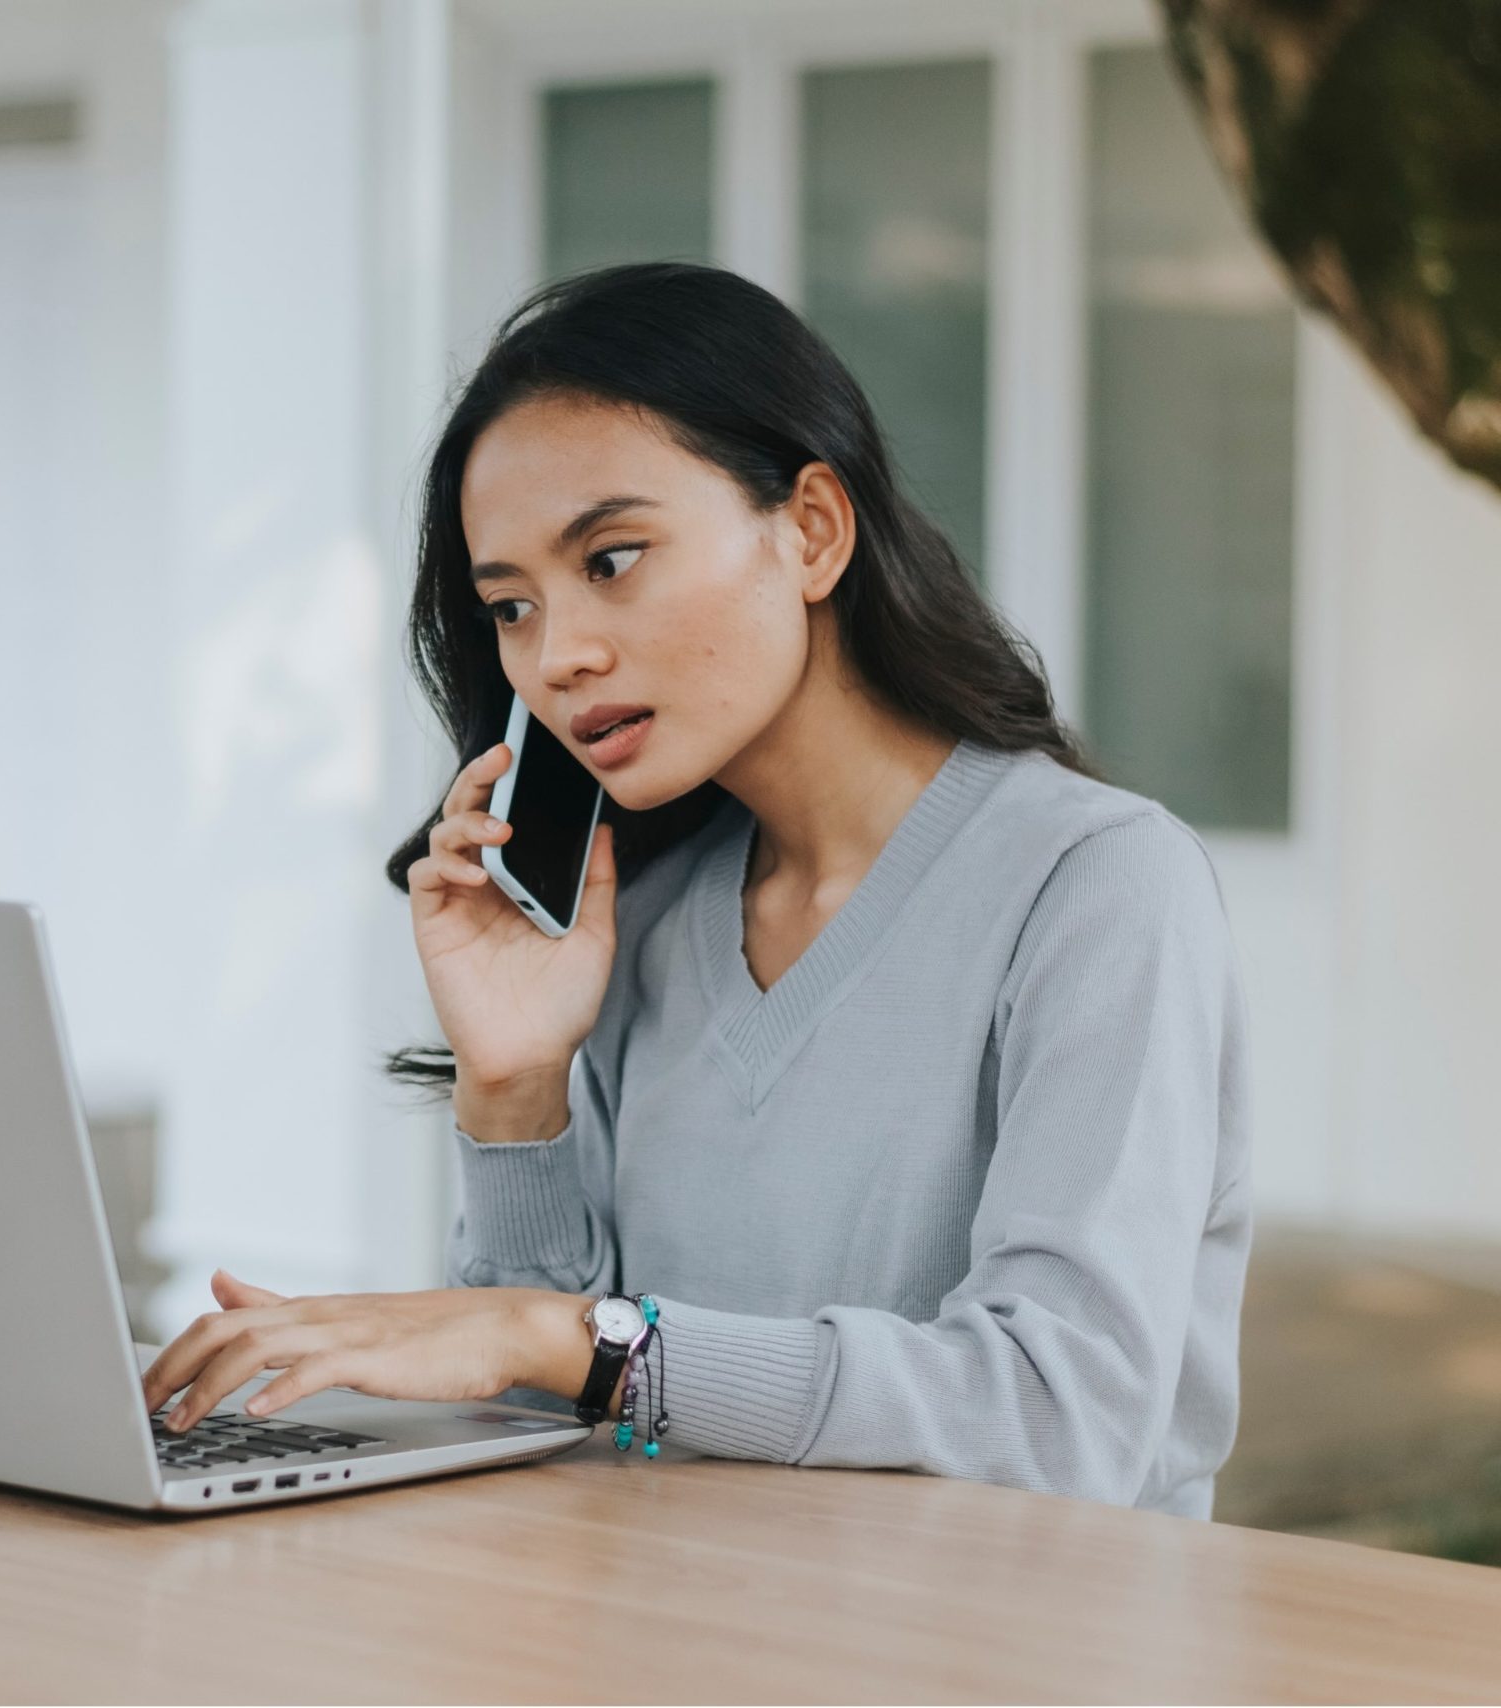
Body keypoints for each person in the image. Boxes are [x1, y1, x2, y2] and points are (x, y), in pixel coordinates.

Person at [139, 262, 1251, 1516]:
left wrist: (572, 1339)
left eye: (612, 559)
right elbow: (537, 1414)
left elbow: (1059, 1417)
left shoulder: (1096, 886)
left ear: (812, 530)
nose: (559, 656)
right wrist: (514, 1089)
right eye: (510, 605)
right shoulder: (645, 916)